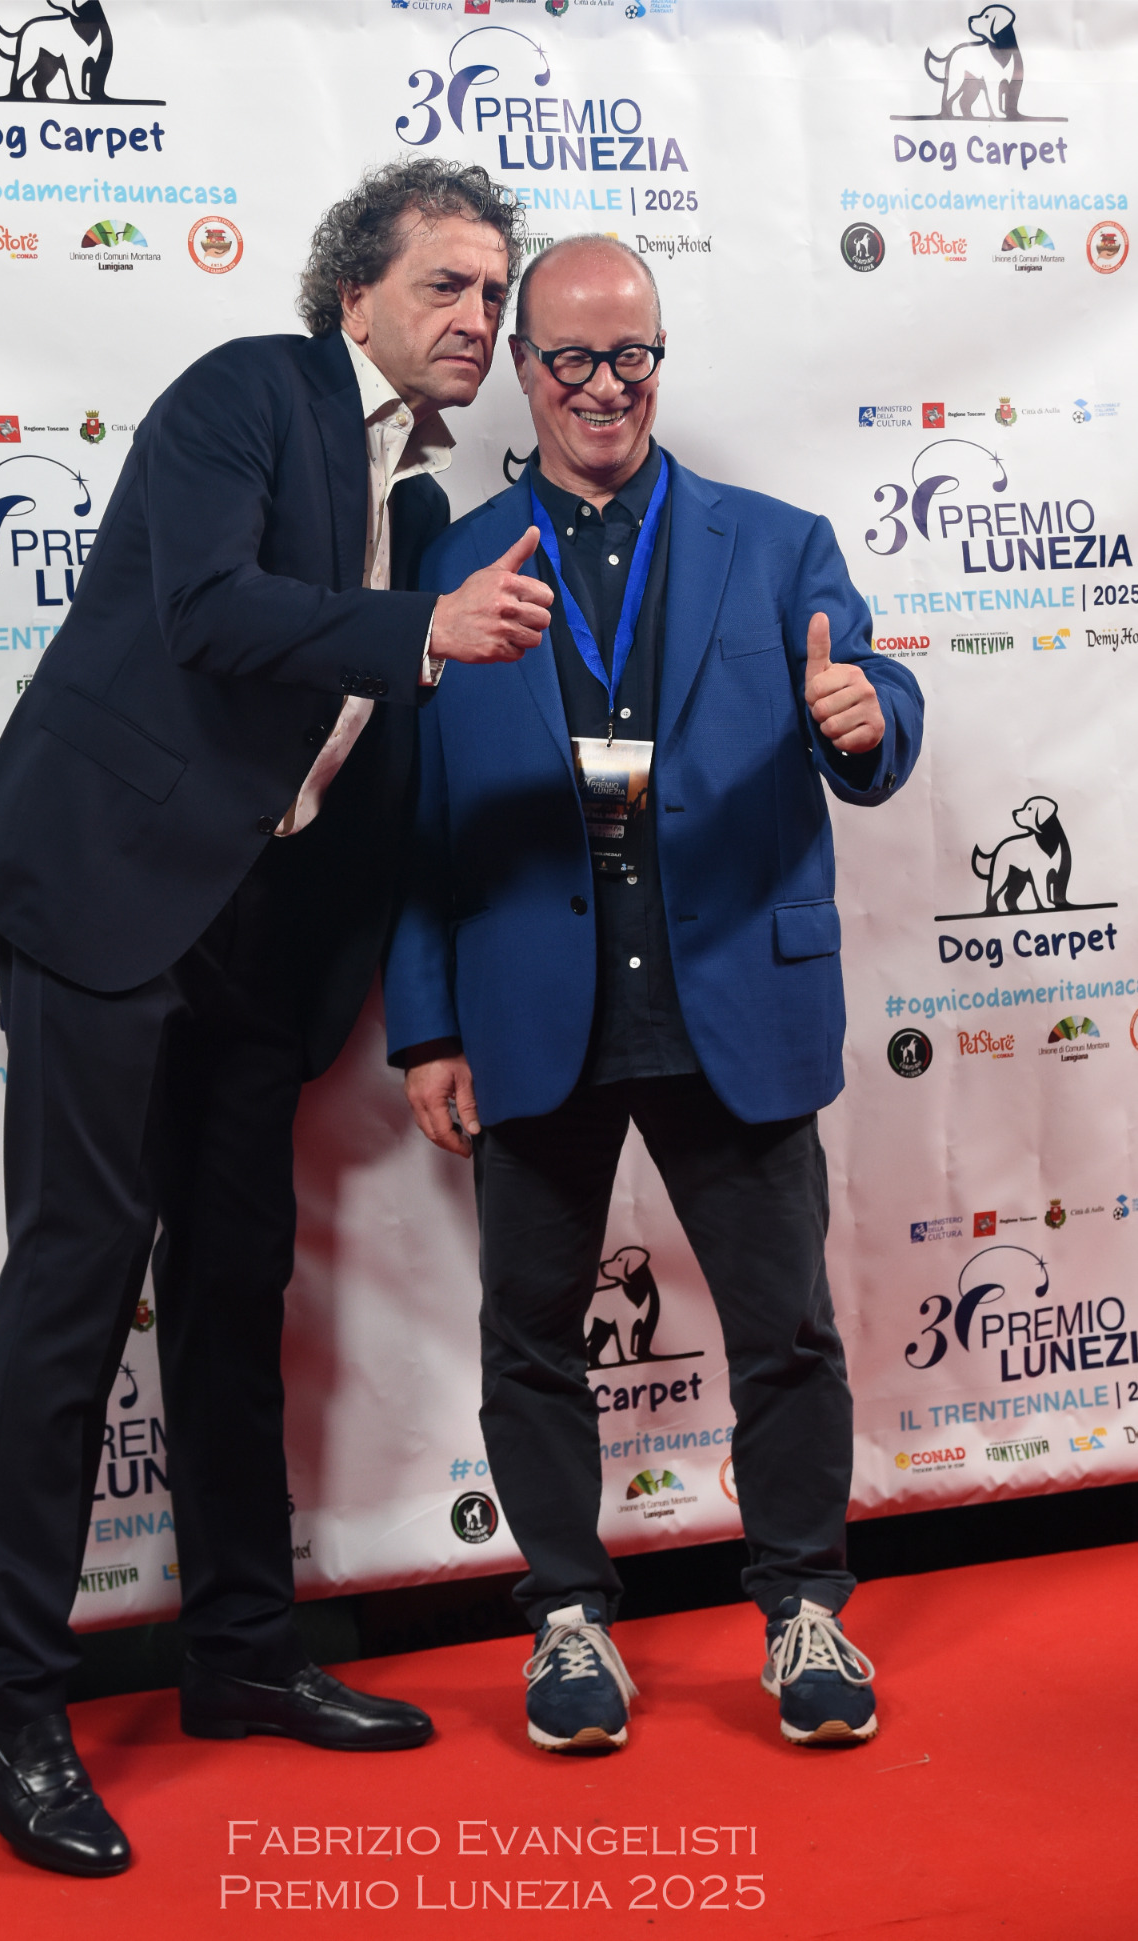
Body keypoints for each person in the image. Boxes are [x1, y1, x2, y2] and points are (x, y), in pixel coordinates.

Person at [0, 157, 553, 1876]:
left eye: (491, 294)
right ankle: (9, 1693)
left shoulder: (419, 499)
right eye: (444, 284)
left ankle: (239, 1651)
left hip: (259, 944)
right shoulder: (246, 392)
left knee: (233, 1287)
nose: (475, 318)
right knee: (73, 1285)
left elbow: (368, 761)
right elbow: (204, 612)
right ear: (354, 291)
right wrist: (425, 629)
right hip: (107, 898)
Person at [384, 236, 923, 1755]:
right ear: (522, 369)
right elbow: (413, 823)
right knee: (528, 1339)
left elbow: (878, 694)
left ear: (660, 360)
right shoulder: (453, 566)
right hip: (530, 1008)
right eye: (571, 357)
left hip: (731, 1005)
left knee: (786, 1334)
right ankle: (566, 1617)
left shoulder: (779, 543)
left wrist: (866, 713)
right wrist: (426, 1026)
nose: (605, 386)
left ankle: (803, 1603)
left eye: (633, 356)